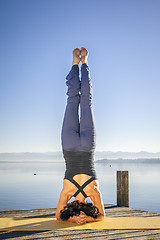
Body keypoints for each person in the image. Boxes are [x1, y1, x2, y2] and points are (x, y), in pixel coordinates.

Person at [56, 47, 105, 225]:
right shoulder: (94, 192)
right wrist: (90, 218)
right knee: (86, 102)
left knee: (72, 100)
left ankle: (75, 64)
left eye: (80, 215)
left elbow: (57, 216)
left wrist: (72, 220)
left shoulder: (67, 192)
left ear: (73, 210)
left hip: (70, 146)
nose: (83, 216)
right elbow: (102, 215)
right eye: (85, 215)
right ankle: (84, 63)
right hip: (86, 146)